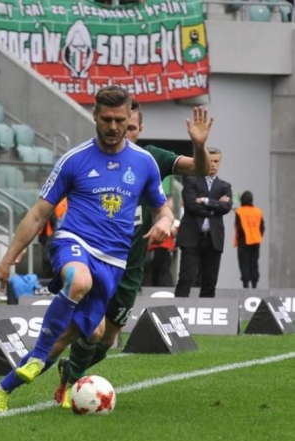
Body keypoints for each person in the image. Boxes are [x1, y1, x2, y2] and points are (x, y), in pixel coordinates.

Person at [0, 86, 173, 412]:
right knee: (79, 281)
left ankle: (3, 389)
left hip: (113, 262)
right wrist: (6, 261)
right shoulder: (74, 159)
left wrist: (165, 222)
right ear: (95, 116)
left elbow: (162, 208)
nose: (113, 127)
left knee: (90, 334)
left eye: (119, 119)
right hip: (73, 243)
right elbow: (38, 214)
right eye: (106, 119)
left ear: (130, 117)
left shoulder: (144, 163)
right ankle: (42, 359)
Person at [53, 102, 214, 408]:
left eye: (129, 127)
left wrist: (199, 145)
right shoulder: (92, 157)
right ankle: (74, 382)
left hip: (130, 268)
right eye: (117, 125)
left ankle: (71, 371)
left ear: (138, 129)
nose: (121, 131)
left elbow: (201, 169)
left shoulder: (151, 158)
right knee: (93, 326)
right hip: (97, 259)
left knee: (107, 339)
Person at [174, 147, 232, 298]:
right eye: (210, 161)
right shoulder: (191, 181)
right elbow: (192, 205)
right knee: (186, 279)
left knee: (210, 282)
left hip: (214, 240)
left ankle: (205, 317)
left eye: (216, 161)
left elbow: (226, 207)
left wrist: (206, 201)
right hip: (191, 237)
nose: (213, 164)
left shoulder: (225, 186)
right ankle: (178, 312)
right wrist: (215, 207)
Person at [234, 190, 264, 289]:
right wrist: (258, 236)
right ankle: (254, 284)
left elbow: (238, 227)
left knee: (244, 263)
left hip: (244, 241)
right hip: (256, 241)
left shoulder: (239, 211)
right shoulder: (258, 211)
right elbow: (262, 227)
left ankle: (246, 285)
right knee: (254, 263)